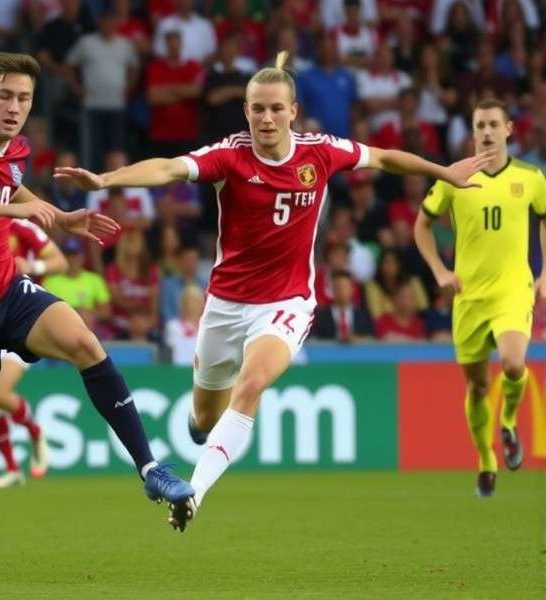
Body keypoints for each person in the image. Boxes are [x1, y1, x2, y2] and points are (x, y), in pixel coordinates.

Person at [56, 51, 491, 531]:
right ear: (246, 112)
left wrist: (443, 172)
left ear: (293, 111)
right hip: (224, 305)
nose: (266, 117)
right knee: (202, 419)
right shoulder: (230, 156)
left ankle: (194, 493)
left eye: (275, 108)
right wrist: (106, 179)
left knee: (253, 384)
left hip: (286, 303)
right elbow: (168, 169)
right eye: (257, 108)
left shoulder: (320, 152)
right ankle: (202, 430)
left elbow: (383, 157)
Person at [0, 52, 194, 569]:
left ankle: (150, 469)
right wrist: (17, 209)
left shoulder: (16, 150)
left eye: (24, 98)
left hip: (7, 289)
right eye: (4, 95)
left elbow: (9, 182)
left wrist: (59, 219)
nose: (14, 107)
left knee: (85, 343)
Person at [414, 98, 546, 497]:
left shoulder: (532, 177)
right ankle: (486, 457)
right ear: (471, 133)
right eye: (479, 125)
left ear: (508, 129)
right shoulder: (454, 179)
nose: (486, 132)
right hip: (469, 296)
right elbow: (421, 226)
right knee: (474, 388)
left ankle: (507, 422)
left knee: (511, 363)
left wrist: (544, 274)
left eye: (493, 124)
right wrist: (440, 271)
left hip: (512, 288)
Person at [0, 218, 69, 489]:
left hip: (23, 321)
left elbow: (60, 262)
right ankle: (12, 468)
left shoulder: (19, 226)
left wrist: (33, 266)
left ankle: (34, 430)